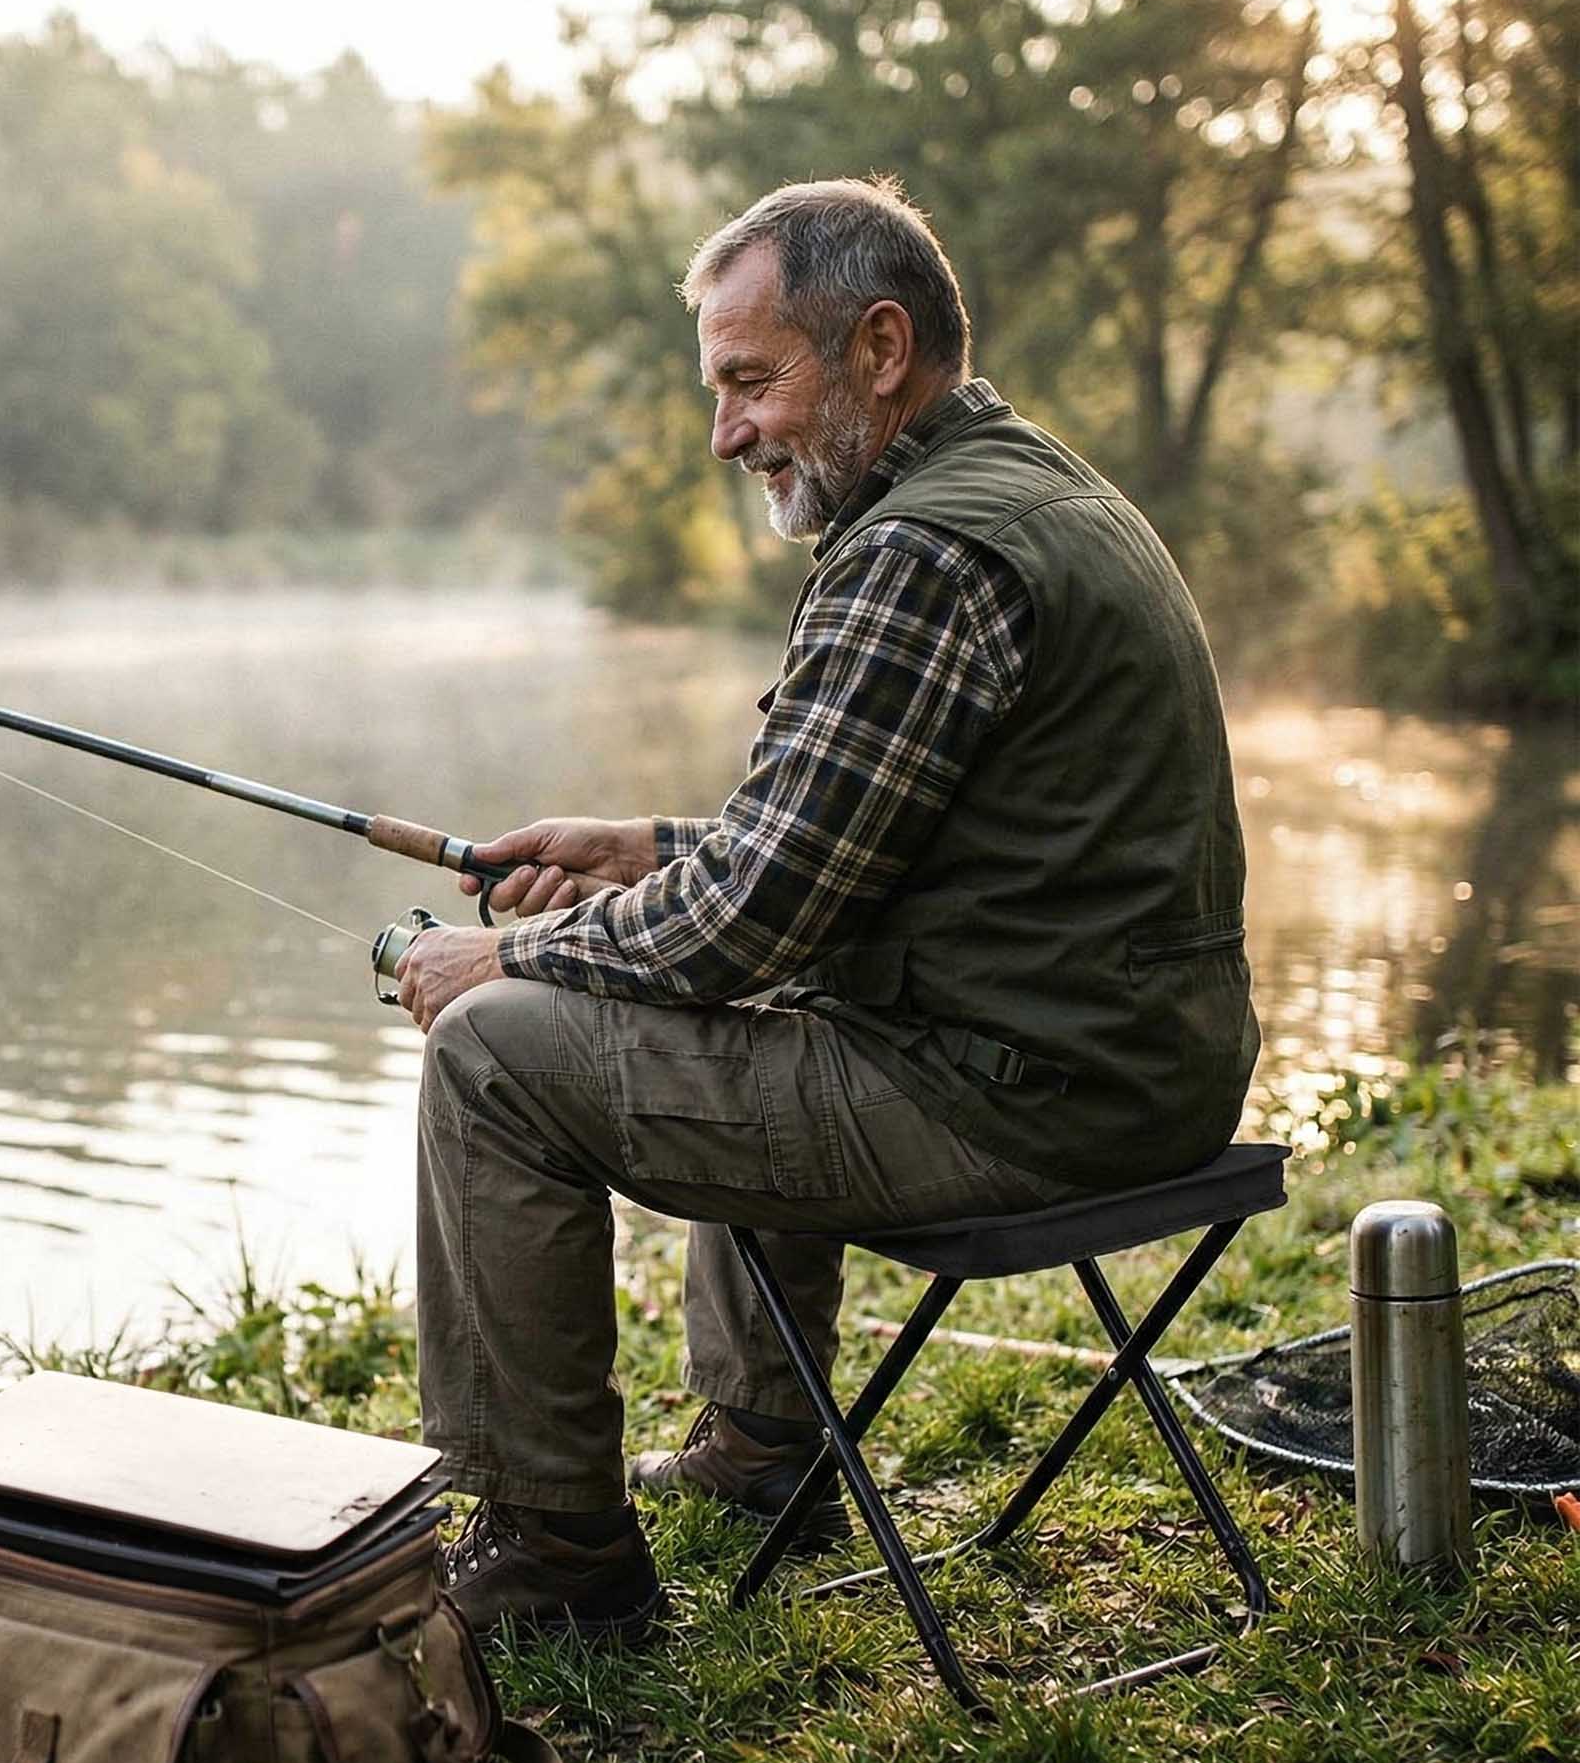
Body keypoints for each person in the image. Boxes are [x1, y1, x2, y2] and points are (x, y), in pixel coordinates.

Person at [392, 177, 1259, 1641]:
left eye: (749, 382)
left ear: (876, 347)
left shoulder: (920, 555)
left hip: (1028, 1097)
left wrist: (503, 954)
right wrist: (643, 847)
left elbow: (747, 924)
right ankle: (760, 1455)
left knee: (494, 1057)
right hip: (1138, 1064)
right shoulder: (1031, 487)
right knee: (745, 984)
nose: (726, 432)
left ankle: (558, 1559)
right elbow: (857, 851)